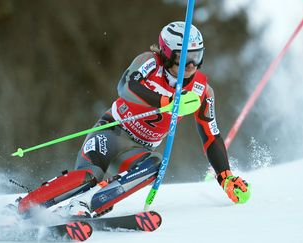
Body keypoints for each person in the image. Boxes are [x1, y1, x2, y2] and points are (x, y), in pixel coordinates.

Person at [16, 21, 251, 218]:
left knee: (156, 165)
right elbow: (126, 86)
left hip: (138, 150)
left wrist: (225, 177)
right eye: (184, 58)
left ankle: (86, 205)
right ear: (167, 54)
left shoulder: (202, 91)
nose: (191, 65)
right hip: (112, 131)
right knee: (88, 177)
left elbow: (211, 134)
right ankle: (22, 207)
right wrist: (164, 102)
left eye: (197, 57)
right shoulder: (149, 62)